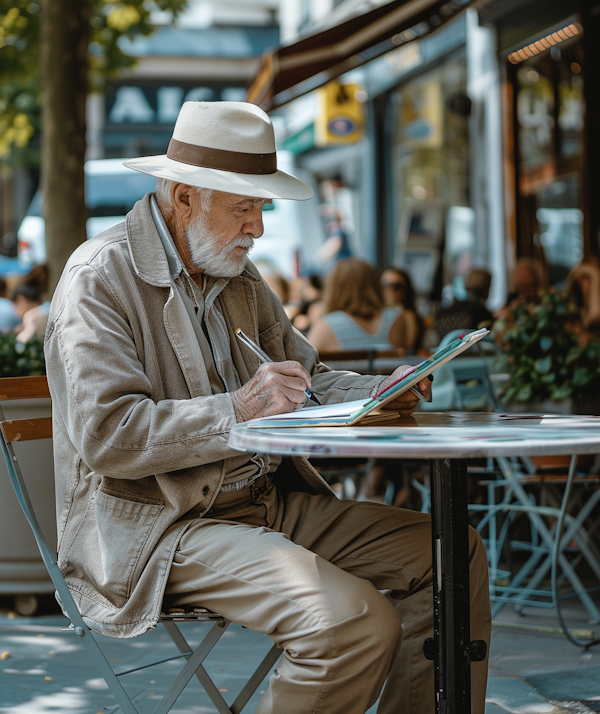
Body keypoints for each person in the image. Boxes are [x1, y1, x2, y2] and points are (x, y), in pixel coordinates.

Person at [44, 101, 490, 714]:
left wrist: (381, 390)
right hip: (162, 525)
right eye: (243, 207)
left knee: (450, 553)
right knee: (351, 622)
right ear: (183, 195)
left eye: (260, 208)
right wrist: (237, 410)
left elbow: (308, 380)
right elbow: (107, 435)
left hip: (260, 504)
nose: (257, 228)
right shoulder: (99, 275)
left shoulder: (238, 277)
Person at [307, 258, 410, 353]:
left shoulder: (325, 326)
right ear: (375, 284)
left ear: (334, 288)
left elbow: (309, 364)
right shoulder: (396, 318)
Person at [434, 267, 494, 340]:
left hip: (446, 350)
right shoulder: (481, 313)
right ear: (486, 289)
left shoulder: (442, 312)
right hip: (472, 351)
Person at [380, 266, 424, 351]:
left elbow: (408, 349)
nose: (391, 290)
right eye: (385, 285)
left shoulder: (408, 316)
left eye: (397, 286)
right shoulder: (374, 314)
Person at [10, 264, 50, 342]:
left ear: (21, 300)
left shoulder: (31, 315)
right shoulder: (49, 307)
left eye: (15, 305)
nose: (15, 312)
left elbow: (21, 342)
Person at [567, 256, 600, 343]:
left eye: (589, 278)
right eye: (583, 278)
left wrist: (594, 273)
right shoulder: (574, 314)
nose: (584, 283)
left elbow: (595, 315)